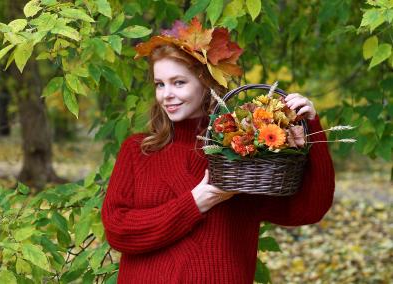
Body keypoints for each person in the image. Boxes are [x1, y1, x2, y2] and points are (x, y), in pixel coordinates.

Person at [101, 18, 335, 283]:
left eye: (178, 82)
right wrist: (198, 201)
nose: (166, 94)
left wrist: (312, 132)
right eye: (160, 84)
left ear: (206, 83)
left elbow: (308, 210)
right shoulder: (137, 151)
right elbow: (119, 231)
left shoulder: (242, 150)